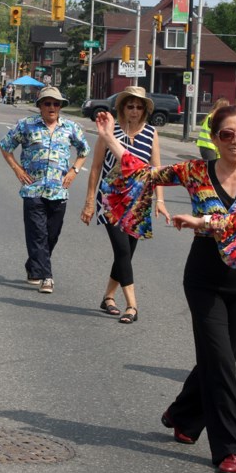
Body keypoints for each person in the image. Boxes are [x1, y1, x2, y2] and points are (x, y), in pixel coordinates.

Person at [96, 104, 236, 473]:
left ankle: (183, 415)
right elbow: (145, 174)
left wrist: (202, 220)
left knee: (219, 359)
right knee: (221, 361)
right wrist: (110, 138)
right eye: (227, 134)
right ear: (214, 138)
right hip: (203, 277)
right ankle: (232, 447)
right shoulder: (195, 170)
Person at [80, 86, 169, 323]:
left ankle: (108, 296)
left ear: (145, 110)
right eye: (130, 106)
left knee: (126, 254)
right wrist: (90, 202)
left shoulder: (151, 133)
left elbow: (156, 171)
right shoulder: (110, 131)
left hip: (139, 201)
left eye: (139, 107)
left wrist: (160, 200)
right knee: (121, 250)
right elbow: (96, 167)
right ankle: (132, 305)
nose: (134, 111)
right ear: (122, 107)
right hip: (110, 199)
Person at [0, 86, 90, 295]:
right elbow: (5, 146)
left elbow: (84, 150)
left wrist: (74, 171)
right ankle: (47, 277)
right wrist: (17, 170)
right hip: (33, 189)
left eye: (55, 104)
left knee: (52, 235)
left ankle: (34, 266)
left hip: (59, 190)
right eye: (47, 103)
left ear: (60, 106)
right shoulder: (26, 125)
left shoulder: (70, 127)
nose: (51, 107)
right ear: (39, 105)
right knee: (38, 234)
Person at [196, 97, 229, 161]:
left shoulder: (212, 115)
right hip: (209, 146)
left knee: (213, 167)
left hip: (207, 145)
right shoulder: (216, 117)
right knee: (212, 168)